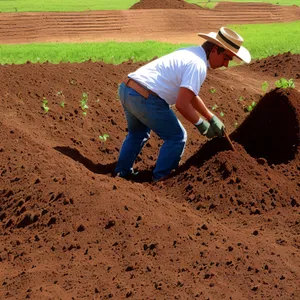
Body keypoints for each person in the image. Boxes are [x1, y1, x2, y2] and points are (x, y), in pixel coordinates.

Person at [114, 26, 251, 182]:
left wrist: (210, 117)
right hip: (146, 98)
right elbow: (182, 104)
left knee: (137, 134)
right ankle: (162, 180)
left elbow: (190, 95)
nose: (226, 64)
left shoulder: (191, 53)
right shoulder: (198, 65)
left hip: (128, 89)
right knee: (177, 137)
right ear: (215, 50)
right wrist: (201, 124)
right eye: (226, 58)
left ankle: (121, 173)